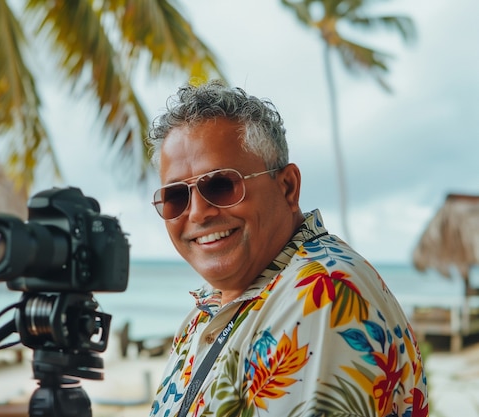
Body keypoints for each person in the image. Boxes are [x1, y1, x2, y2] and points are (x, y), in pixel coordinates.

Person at [145, 80, 428, 417]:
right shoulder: (214, 307)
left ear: (287, 187)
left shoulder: (320, 294)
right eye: (176, 196)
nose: (196, 213)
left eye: (221, 185)